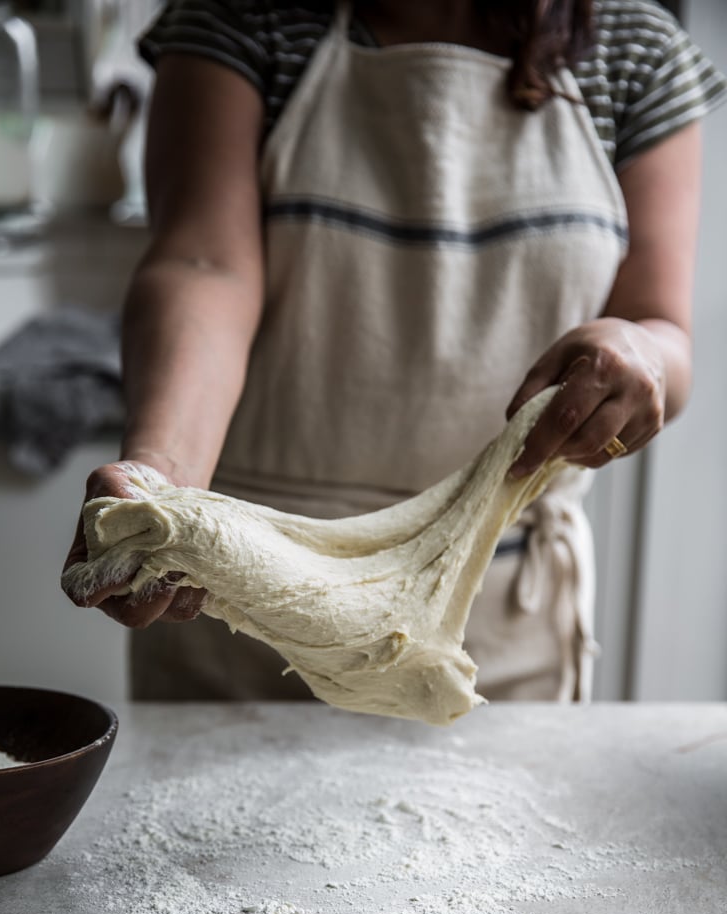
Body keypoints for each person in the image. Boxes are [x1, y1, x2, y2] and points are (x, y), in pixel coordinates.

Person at [63, 0, 726, 705]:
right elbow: (205, 265)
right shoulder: (241, 15)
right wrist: (162, 480)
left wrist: (640, 354)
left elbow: (660, 326)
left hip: (498, 614)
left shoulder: (633, 50)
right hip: (233, 601)